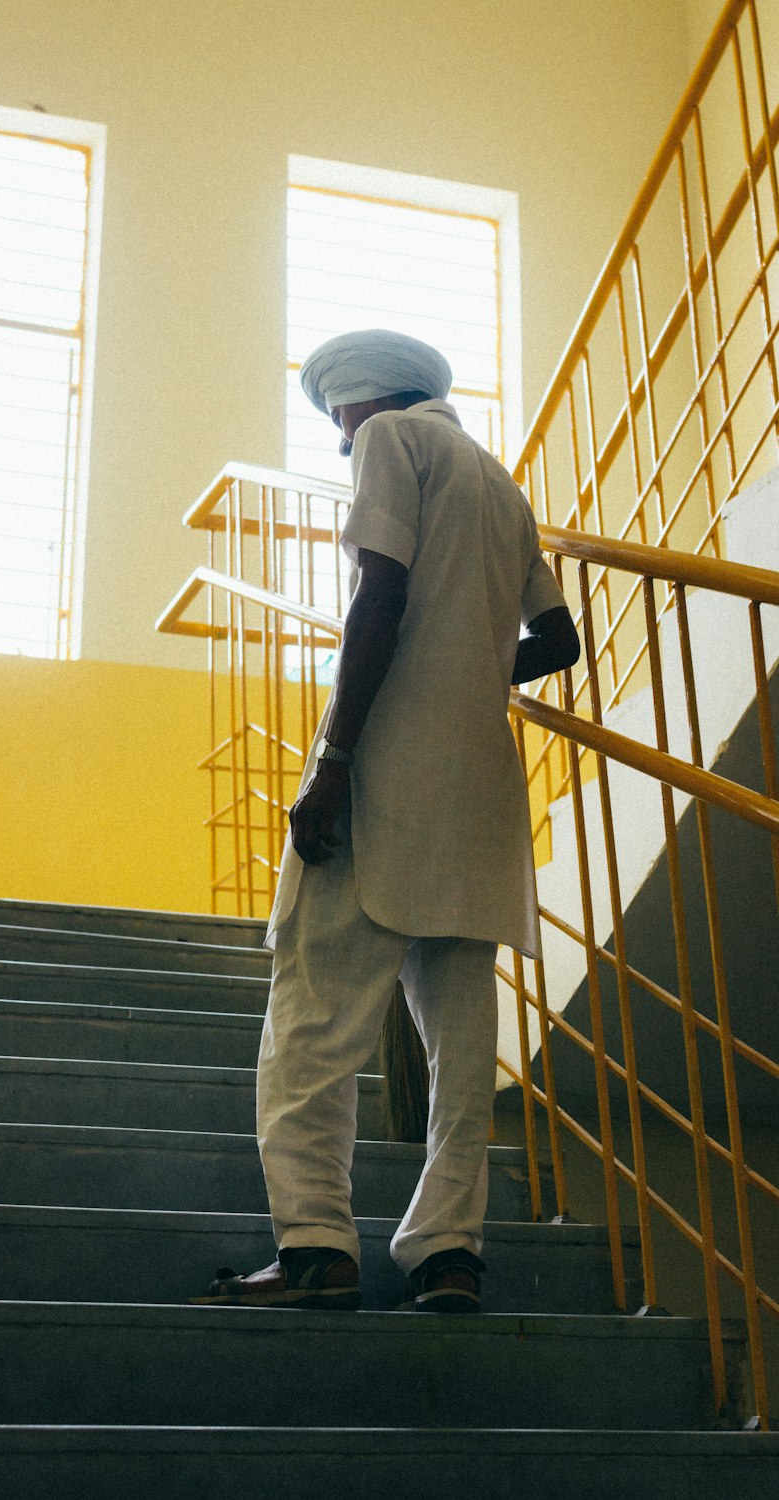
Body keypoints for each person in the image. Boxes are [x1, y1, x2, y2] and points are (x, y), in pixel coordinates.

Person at [191, 328, 579, 1313]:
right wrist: (467, 673)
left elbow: (381, 587)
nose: (336, 444)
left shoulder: (392, 445)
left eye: (335, 419)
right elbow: (559, 639)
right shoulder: (500, 483)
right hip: (479, 799)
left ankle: (318, 1245)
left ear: (363, 402)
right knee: (457, 1049)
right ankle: (448, 1253)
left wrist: (330, 763)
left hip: (384, 777)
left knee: (312, 1023)